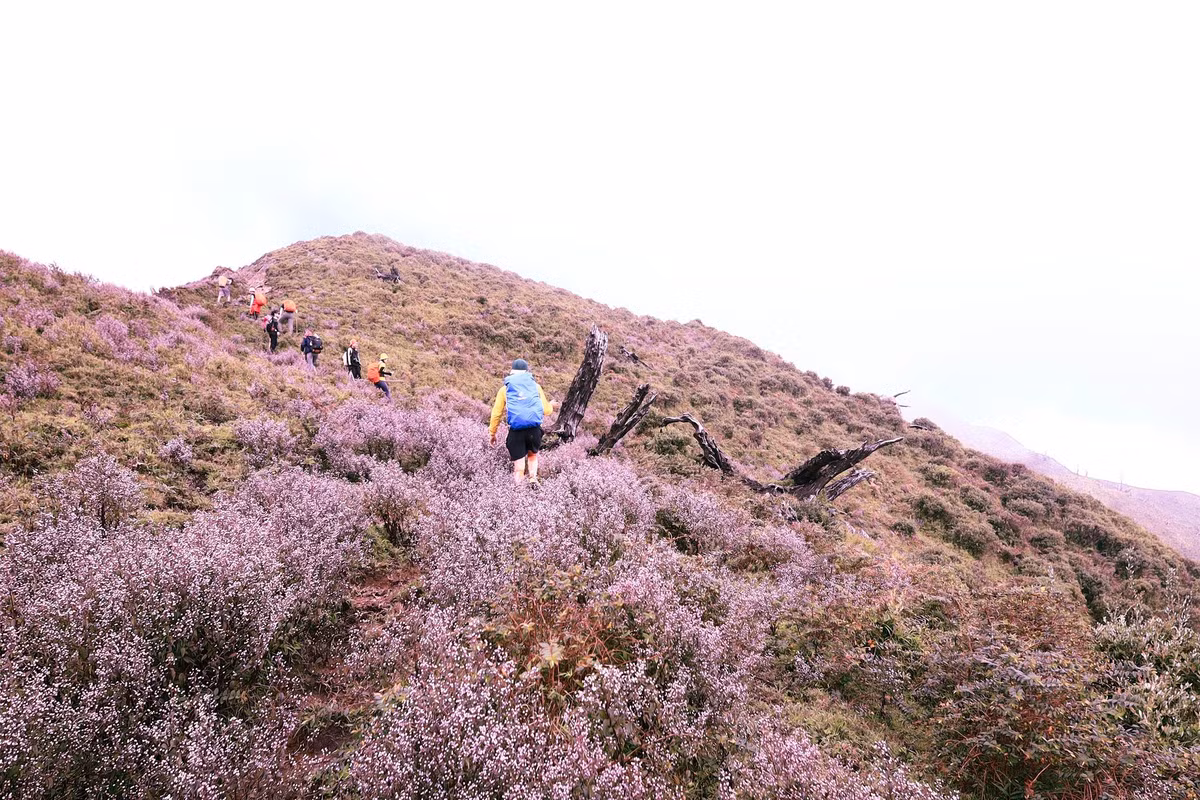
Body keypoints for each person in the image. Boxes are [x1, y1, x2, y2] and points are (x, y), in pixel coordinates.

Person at [489, 358, 554, 486]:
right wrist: (551, 405)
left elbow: (496, 413)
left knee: (519, 465)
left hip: (516, 431)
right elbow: (546, 410)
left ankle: (519, 489)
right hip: (534, 430)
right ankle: (533, 478)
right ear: (527, 371)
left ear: (512, 371)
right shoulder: (536, 387)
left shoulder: (505, 389)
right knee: (532, 455)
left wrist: (493, 433)